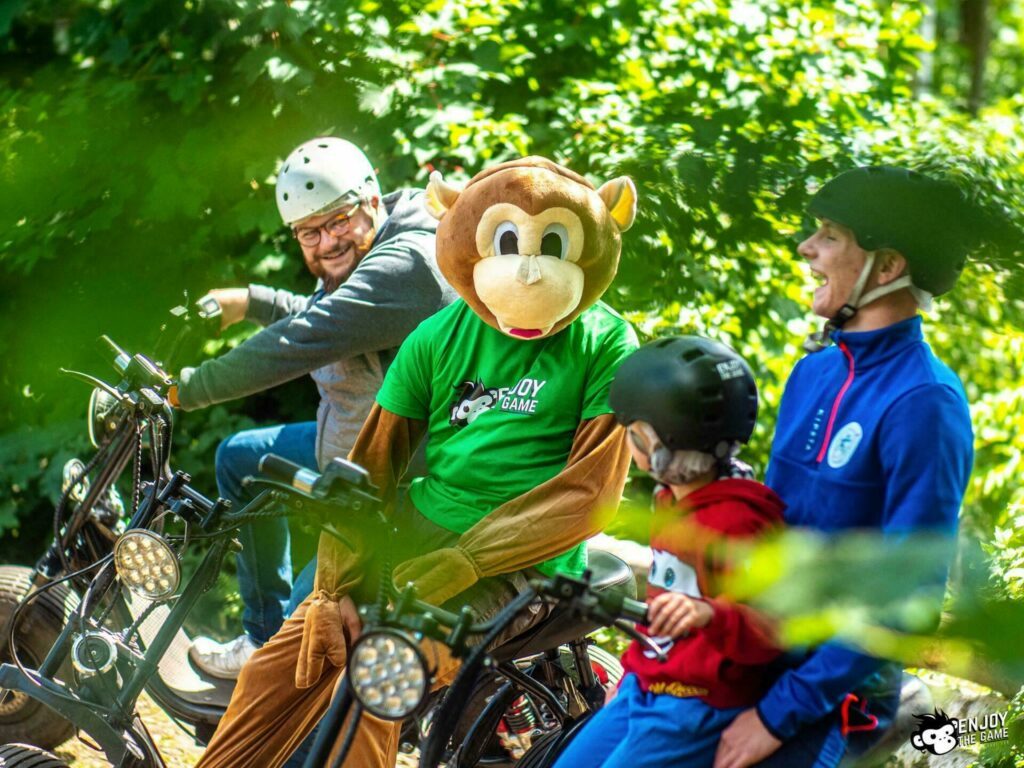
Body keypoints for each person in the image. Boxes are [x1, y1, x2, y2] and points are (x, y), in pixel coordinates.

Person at [193, 156, 641, 767]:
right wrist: (334, 585)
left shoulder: (606, 342)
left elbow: (588, 494)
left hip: (524, 565)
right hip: (419, 538)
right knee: (280, 666)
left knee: (382, 673)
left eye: (552, 248)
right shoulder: (438, 336)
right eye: (508, 245)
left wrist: (467, 560)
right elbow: (370, 467)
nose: (530, 272)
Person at [712, 166, 977, 768]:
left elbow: (907, 599)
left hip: (833, 697)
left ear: (885, 268)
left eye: (830, 235)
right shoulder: (815, 371)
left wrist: (777, 718)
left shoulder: (925, 402)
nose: (806, 248)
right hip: (751, 658)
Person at [171, 136, 455, 678]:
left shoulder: (408, 264)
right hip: (349, 447)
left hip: (395, 481)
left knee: (307, 629)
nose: (327, 242)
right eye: (310, 232)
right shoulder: (377, 245)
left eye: (338, 221)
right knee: (240, 458)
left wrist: (189, 388)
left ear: (370, 199)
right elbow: (333, 314)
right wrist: (251, 301)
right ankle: (260, 637)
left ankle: (281, 681)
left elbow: (309, 336)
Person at [552, 336, 787, 768]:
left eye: (633, 432)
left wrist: (711, 614)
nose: (628, 442)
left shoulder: (737, 523)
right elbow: (663, 606)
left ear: (658, 443)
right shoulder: (672, 501)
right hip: (649, 685)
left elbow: (775, 627)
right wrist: (632, 672)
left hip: (694, 706)